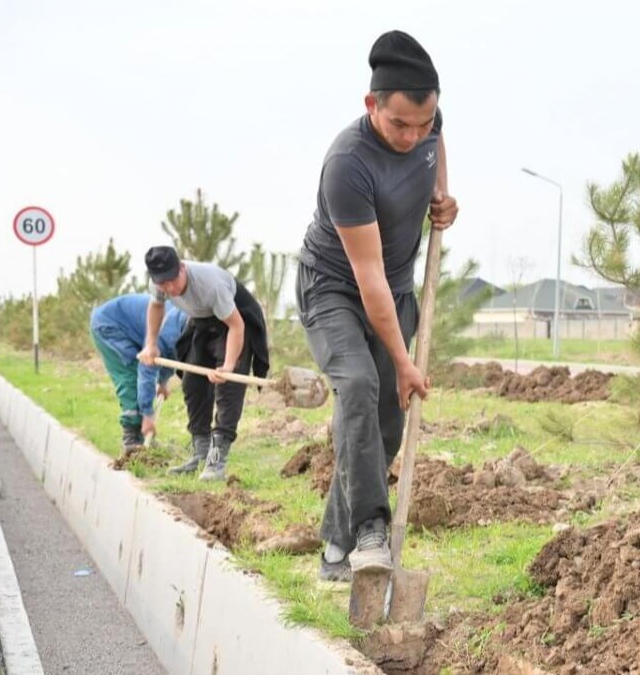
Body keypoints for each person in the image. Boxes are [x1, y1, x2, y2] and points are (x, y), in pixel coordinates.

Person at [296, 30, 458, 582]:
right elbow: (368, 279)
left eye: (423, 123)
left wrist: (443, 196)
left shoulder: (429, 125)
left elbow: (437, 147)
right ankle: (370, 528)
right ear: (372, 105)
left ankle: (336, 551)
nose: (413, 136)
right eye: (399, 125)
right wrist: (404, 360)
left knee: (385, 424)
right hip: (335, 288)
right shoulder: (348, 163)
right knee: (362, 385)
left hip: (397, 287)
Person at [138, 246, 270, 481]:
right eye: (162, 284)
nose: (169, 288)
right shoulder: (159, 284)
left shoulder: (211, 285)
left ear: (182, 267)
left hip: (236, 321)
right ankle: (200, 452)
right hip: (202, 321)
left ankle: (217, 460)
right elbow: (156, 306)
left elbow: (236, 326)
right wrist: (151, 344)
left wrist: (228, 366)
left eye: (172, 280)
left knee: (227, 386)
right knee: (192, 383)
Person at [90, 294, 187, 450]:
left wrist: (162, 383)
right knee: (130, 375)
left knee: (139, 378)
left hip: (130, 327)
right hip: (109, 324)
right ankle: (130, 440)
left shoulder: (184, 326)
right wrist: (148, 415)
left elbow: (169, 358)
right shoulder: (168, 332)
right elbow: (147, 368)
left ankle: (141, 439)